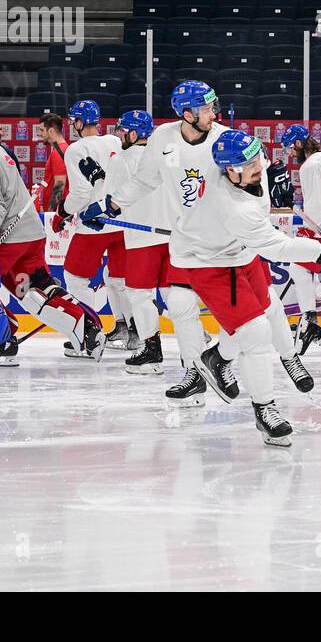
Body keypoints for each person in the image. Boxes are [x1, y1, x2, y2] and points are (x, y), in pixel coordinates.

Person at [136, 128, 321, 444]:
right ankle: (264, 409)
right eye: (249, 162)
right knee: (256, 332)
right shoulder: (230, 206)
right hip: (208, 263)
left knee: (269, 307)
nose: (259, 166)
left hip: (240, 252)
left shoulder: (251, 169)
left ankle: (217, 359)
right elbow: (278, 248)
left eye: (258, 157)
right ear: (229, 170)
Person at [81, 81, 223, 405]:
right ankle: (195, 365)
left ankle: (160, 352)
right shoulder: (163, 140)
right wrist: (109, 206)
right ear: (186, 114)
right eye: (205, 108)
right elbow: (144, 182)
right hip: (175, 236)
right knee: (177, 301)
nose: (212, 113)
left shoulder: (218, 139)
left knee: (149, 297)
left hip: (164, 237)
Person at [0, 112, 104, 365]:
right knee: (34, 287)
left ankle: (1, 339)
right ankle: (86, 329)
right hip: (29, 233)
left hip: (9, 236)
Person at [53, 100, 128, 358]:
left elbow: (81, 192)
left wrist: (63, 211)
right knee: (118, 279)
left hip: (93, 223)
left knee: (75, 278)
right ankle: (127, 330)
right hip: (121, 219)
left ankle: (88, 334)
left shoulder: (75, 149)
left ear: (80, 122)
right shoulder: (115, 142)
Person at [101, 110, 168, 374]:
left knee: (140, 295)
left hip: (142, 240)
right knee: (176, 295)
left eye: (122, 131)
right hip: (171, 235)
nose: (119, 137)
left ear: (132, 133)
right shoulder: (163, 156)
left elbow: (110, 201)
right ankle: (194, 354)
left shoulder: (122, 159)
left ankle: (152, 354)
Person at [279, 124, 321, 354]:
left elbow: (318, 202)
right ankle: (311, 319)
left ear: (300, 144)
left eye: (291, 148)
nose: (291, 154)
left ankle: (310, 319)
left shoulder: (311, 165)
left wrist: (315, 231)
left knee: (297, 265)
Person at [37, 112, 69, 212]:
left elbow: (60, 184)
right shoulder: (61, 149)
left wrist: (51, 213)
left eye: (42, 130)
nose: (40, 134)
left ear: (51, 131)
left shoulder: (59, 151)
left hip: (56, 213)